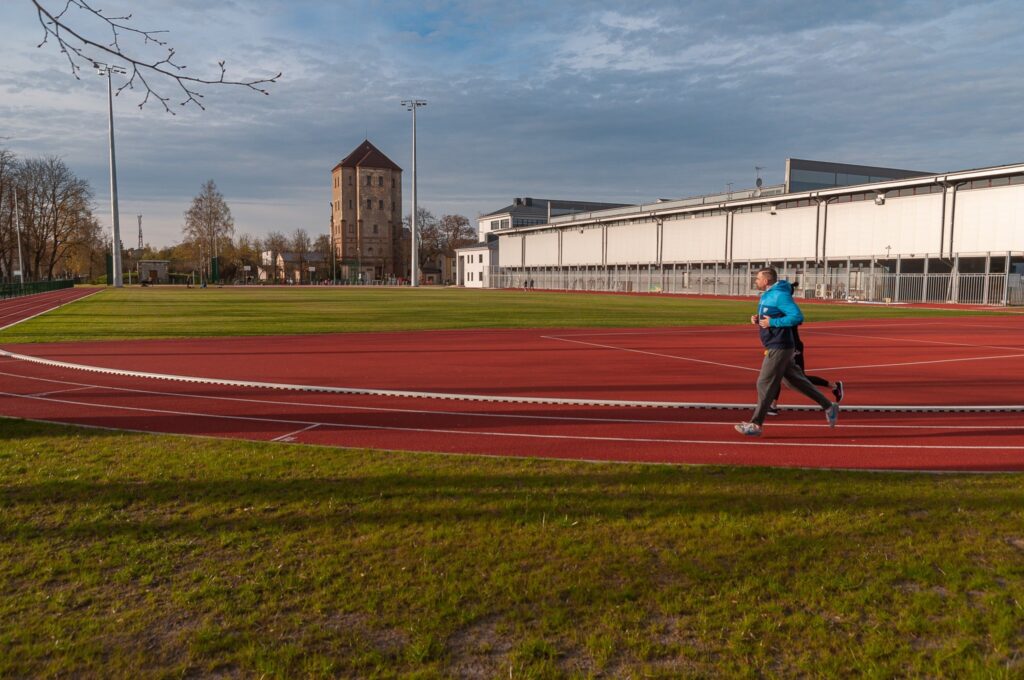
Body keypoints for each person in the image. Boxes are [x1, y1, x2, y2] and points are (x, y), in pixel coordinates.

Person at [735, 268, 839, 436]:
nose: (755, 281)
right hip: (776, 344)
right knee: (794, 382)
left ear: (766, 280)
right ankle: (828, 405)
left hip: (780, 346)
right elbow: (770, 315)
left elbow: (797, 317)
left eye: (758, 278)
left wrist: (773, 323)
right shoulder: (769, 294)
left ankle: (756, 424)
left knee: (764, 382)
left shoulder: (780, 295)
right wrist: (758, 319)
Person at [765, 280, 844, 416]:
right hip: (780, 344)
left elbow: (796, 319)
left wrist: (772, 321)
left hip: (792, 346)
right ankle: (772, 405)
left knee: (796, 378)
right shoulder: (779, 304)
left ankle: (834, 388)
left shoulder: (786, 305)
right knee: (779, 374)